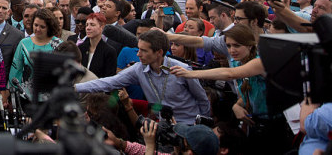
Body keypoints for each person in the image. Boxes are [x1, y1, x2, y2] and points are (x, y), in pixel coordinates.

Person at [171, 25, 292, 152]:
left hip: (275, 127)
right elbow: (248, 93)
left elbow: (231, 74)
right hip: (254, 123)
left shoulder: (260, 61)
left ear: (250, 46)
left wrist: (190, 74)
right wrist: (237, 105)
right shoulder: (236, 61)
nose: (232, 50)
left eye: (237, 45)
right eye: (228, 46)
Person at [75, 30, 210, 125]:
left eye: (144, 50)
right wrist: (75, 88)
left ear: (159, 52)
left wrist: (201, 126)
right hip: (163, 128)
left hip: (189, 126)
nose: (138, 54)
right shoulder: (138, 69)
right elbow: (109, 82)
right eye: (138, 49)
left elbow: (202, 99)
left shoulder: (182, 70)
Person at [10, 8, 62, 84]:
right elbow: (16, 70)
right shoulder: (24, 43)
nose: (38, 29)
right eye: (36, 25)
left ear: (49, 27)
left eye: (42, 27)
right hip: (26, 93)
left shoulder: (58, 44)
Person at [78, 12, 117, 78]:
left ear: (102, 27)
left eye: (92, 25)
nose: (88, 28)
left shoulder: (109, 51)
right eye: (87, 25)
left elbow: (109, 78)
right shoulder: (81, 48)